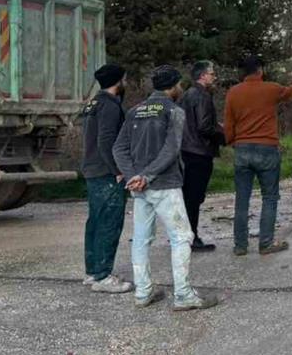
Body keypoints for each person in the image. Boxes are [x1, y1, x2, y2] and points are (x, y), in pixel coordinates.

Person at [112, 65, 218, 311]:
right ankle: (183, 295)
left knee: (141, 239)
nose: (181, 88)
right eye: (179, 84)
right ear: (173, 86)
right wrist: (146, 176)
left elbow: (119, 148)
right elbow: (171, 150)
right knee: (182, 237)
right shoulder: (174, 111)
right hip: (165, 185)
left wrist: (133, 176)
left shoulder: (134, 111)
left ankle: (143, 292)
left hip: (139, 187)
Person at [224, 55, 292, 256]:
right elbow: (290, 92)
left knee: (242, 199)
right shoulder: (271, 89)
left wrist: (234, 142)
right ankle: (266, 243)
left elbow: (229, 125)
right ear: (260, 70)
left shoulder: (233, 93)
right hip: (267, 149)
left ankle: (240, 245)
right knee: (269, 197)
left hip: (242, 149)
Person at [80, 64, 133, 294]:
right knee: (109, 223)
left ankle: (93, 272)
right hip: (106, 172)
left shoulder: (93, 103)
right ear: (117, 81)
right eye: (125, 78)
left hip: (92, 169)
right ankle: (103, 275)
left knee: (95, 221)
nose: (126, 82)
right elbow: (106, 141)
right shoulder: (110, 106)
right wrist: (118, 170)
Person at [179, 60, 225, 252]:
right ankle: (192, 237)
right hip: (200, 151)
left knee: (188, 196)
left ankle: (185, 235)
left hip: (187, 150)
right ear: (203, 76)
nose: (214, 77)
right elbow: (204, 126)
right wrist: (222, 134)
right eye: (212, 74)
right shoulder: (202, 96)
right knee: (194, 197)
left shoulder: (186, 95)